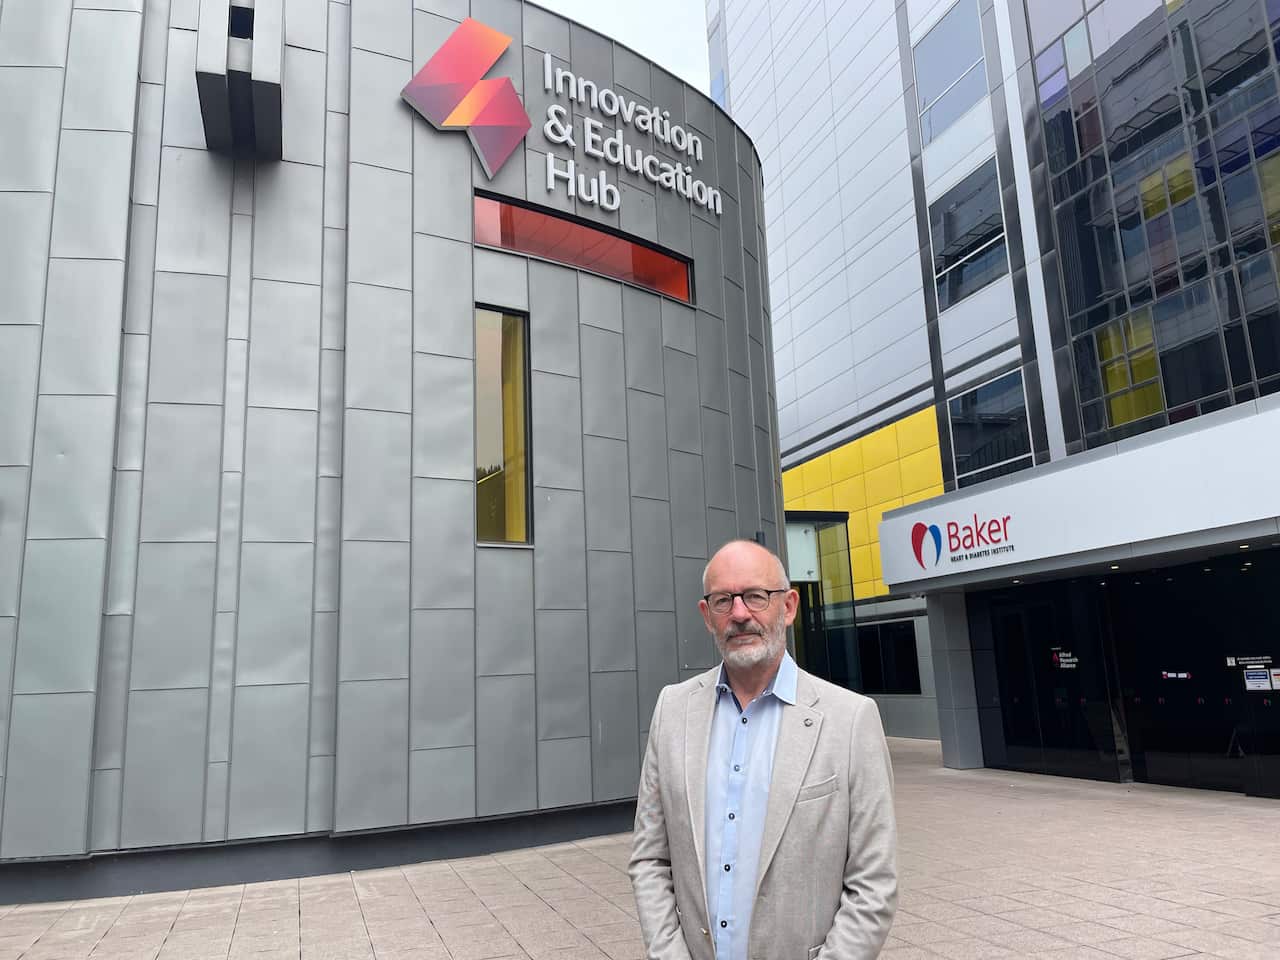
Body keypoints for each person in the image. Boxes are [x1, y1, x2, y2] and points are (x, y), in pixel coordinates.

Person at [629, 539, 897, 960]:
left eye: (756, 596)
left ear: (788, 607)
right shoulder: (673, 711)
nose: (739, 614)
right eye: (723, 600)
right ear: (707, 616)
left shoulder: (851, 720)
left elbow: (874, 881)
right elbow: (649, 859)